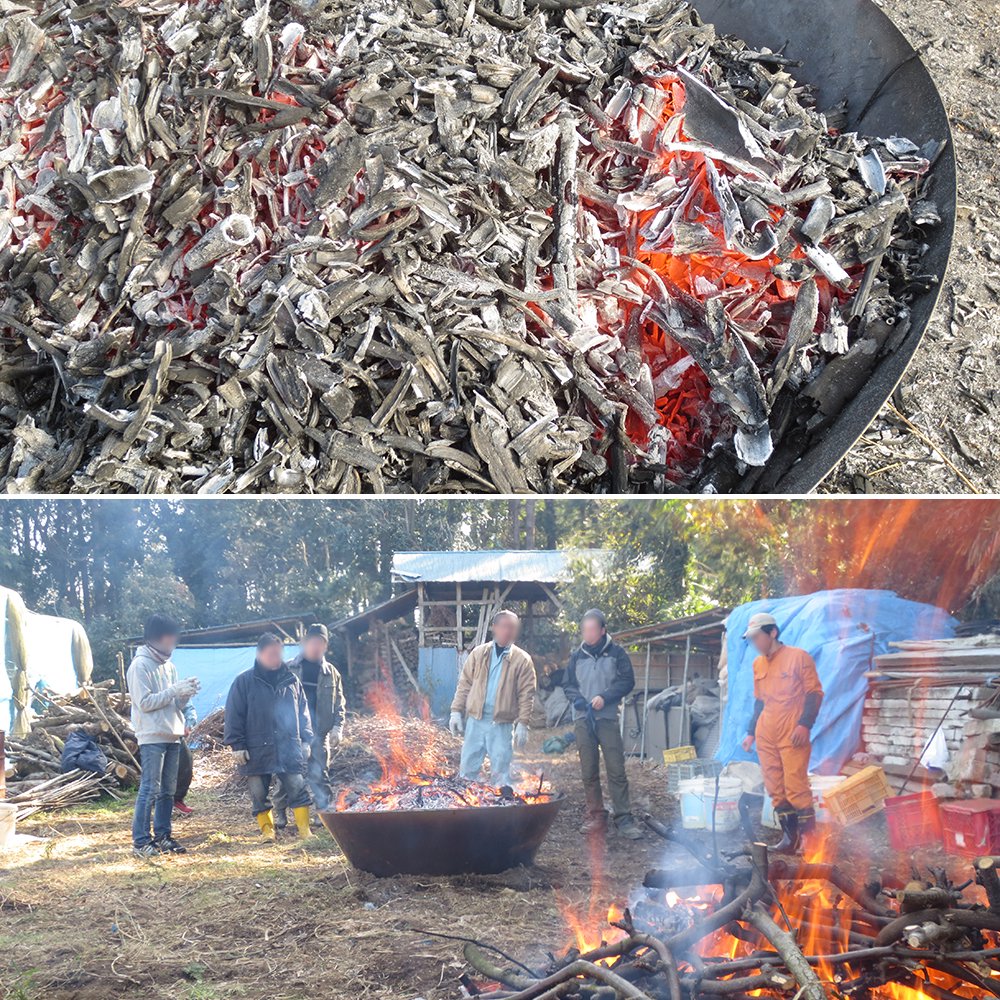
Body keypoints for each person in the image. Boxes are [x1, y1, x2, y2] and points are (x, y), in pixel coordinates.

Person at [741, 612, 824, 853]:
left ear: (772, 633)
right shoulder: (758, 664)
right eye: (752, 639)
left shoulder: (799, 658)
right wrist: (750, 732)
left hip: (792, 728)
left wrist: (804, 724)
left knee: (795, 785)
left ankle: (809, 841)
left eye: (757, 637)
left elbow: (814, 693)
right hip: (766, 730)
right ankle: (790, 839)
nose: (755, 643)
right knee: (775, 787)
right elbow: (759, 701)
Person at [555, 609, 642, 840]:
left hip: (607, 718)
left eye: (592, 629)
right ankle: (596, 816)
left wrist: (605, 696)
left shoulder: (617, 653)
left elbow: (627, 681)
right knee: (588, 770)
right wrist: (578, 700)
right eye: (585, 629)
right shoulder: (577, 656)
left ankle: (624, 819)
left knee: (616, 768)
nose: (588, 633)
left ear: (603, 631)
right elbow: (568, 684)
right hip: (583, 719)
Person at [224, 633, 315, 841]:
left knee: (298, 788)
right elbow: (233, 714)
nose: (276, 657)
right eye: (271, 653)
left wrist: (306, 739)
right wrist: (237, 744)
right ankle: (267, 831)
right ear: (259, 654)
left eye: (278, 653)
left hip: (289, 746)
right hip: (257, 748)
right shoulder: (244, 682)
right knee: (258, 794)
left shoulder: (292, 681)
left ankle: (305, 830)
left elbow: (303, 711)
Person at [127, 614, 200, 858]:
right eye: (172, 637)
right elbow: (144, 702)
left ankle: (163, 836)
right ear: (159, 638)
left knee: (168, 791)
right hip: (151, 736)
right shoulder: (140, 665)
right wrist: (172, 691)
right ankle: (140, 842)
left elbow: (174, 704)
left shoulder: (169, 666)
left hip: (172, 734)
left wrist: (184, 695)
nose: (174, 642)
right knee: (149, 789)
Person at [449, 610, 535, 787]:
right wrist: (456, 711)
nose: (508, 631)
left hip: (501, 725)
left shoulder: (522, 660)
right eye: (504, 626)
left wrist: (523, 723)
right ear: (494, 628)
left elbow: (527, 694)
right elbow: (464, 684)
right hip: (476, 721)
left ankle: (501, 809)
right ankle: (466, 806)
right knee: (467, 771)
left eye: (512, 627)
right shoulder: (479, 654)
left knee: (501, 774)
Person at [273, 623, 346, 827]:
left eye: (320, 643)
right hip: (291, 734)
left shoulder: (332, 673)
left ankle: (322, 813)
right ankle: (280, 813)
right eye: (312, 642)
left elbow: (339, 703)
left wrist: (337, 728)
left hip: (319, 734)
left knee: (320, 774)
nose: (316, 646)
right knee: (286, 775)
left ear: (325, 646)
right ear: (304, 643)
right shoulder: (288, 668)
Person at [174, 703, 196, 816]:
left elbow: (187, 706)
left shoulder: (175, 685)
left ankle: (177, 800)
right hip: (156, 735)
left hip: (175, 734)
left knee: (186, 761)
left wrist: (189, 723)